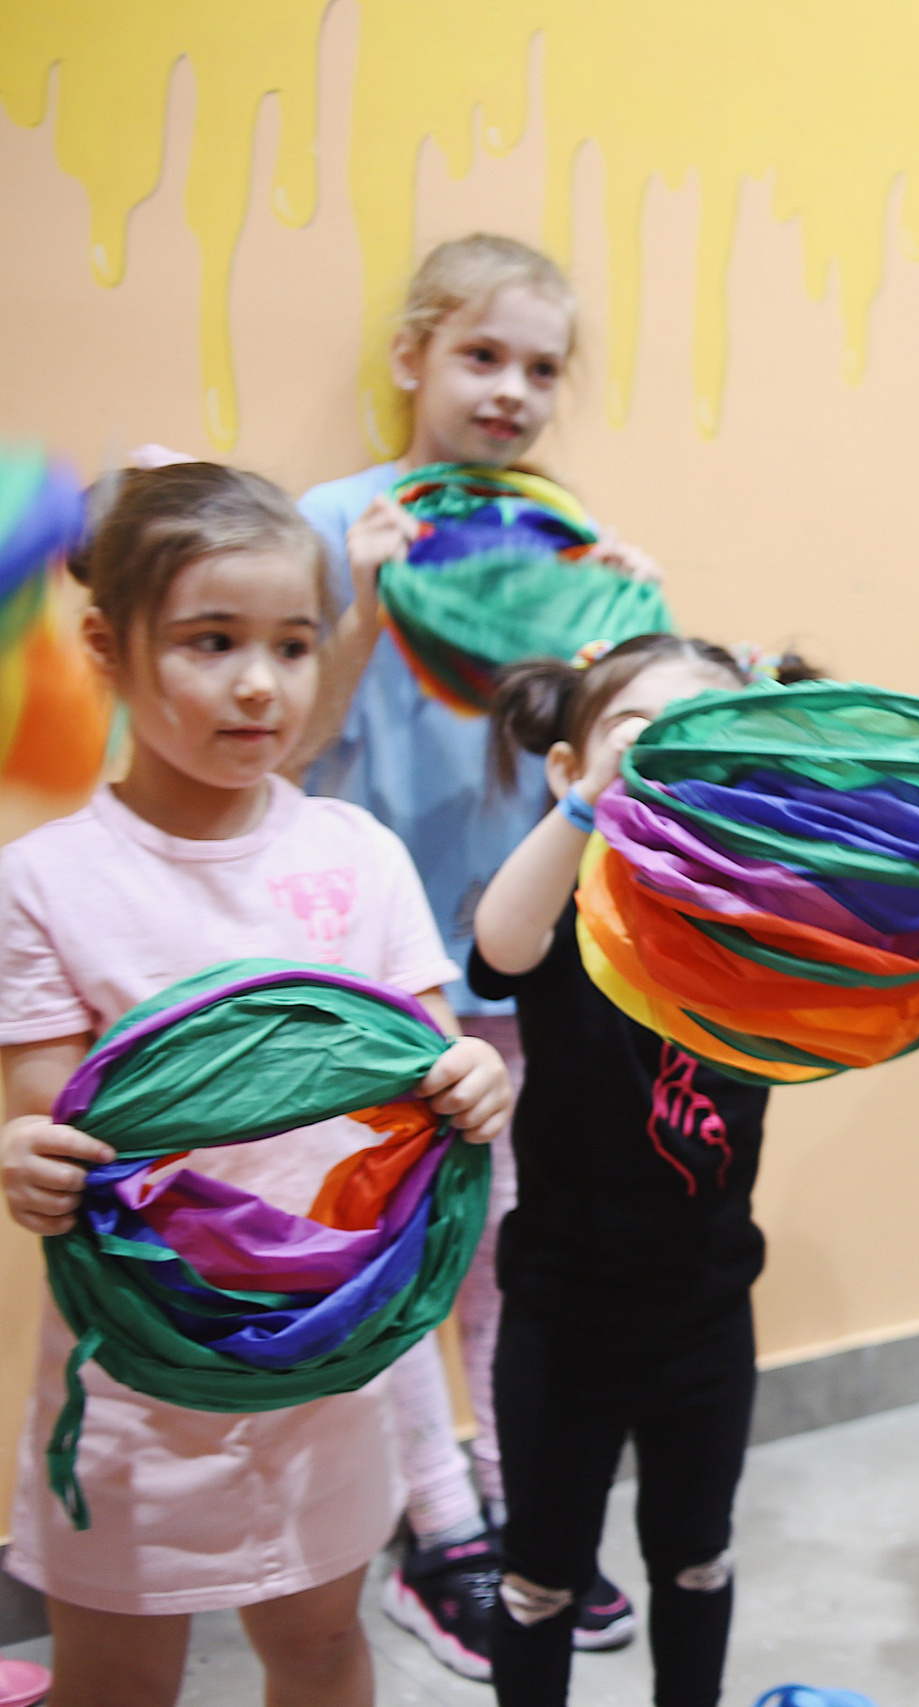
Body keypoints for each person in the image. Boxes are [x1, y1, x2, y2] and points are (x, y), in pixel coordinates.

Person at [0, 462, 511, 1707]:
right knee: (117, 1677)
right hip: (135, 1384)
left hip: (332, 1369)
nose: (258, 684)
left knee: (324, 1647)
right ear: (108, 649)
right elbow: (45, 1122)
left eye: (292, 644)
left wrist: (476, 1076)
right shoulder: (47, 881)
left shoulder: (355, 852)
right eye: (210, 641)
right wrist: (24, 1161)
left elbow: (423, 1072)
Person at [293, 232, 661, 1673]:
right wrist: (361, 595)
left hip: (503, 947)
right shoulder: (335, 518)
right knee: (391, 1237)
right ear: (412, 358)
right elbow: (294, 741)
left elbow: (599, 743)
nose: (511, 390)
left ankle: (518, 1493)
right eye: (482, 356)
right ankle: (431, 1520)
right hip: (359, 957)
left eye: (541, 368)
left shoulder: (562, 536)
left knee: (507, 1236)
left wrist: (633, 618)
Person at [468, 634, 801, 1707]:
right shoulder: (565, 901)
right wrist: (581, 813)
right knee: (538, 1576)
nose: (666, 754)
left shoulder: (748, 917)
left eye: (698, 736)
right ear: (572, 768)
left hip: (706, 1310)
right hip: (561, 1314)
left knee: (696, 1554)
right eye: (634, 733)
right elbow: (498, 947)